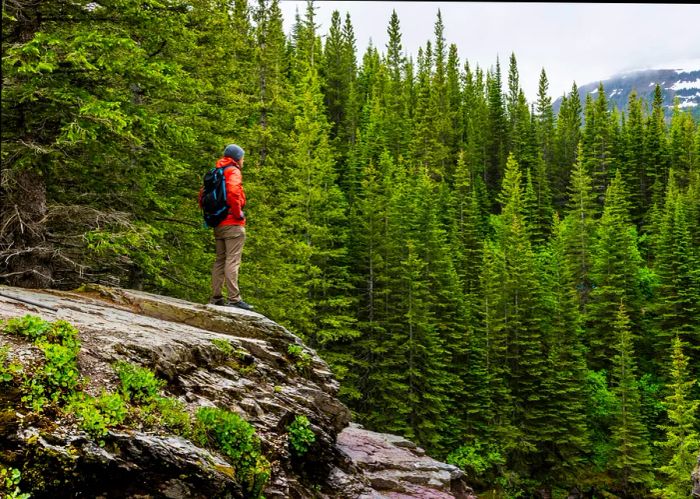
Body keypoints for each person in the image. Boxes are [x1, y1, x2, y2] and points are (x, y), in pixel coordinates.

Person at [200, 144, 254, 310]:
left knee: (220, 259)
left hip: (218, 222)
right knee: (233, 259)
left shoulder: (216, 171)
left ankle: (216, 297)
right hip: (232, 223)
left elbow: (202, 195)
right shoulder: (233, 171)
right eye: (242, 157)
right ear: (237, 157)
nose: (243, 160)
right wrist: (238, 214)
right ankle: (234, 298)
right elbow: (233, 193)